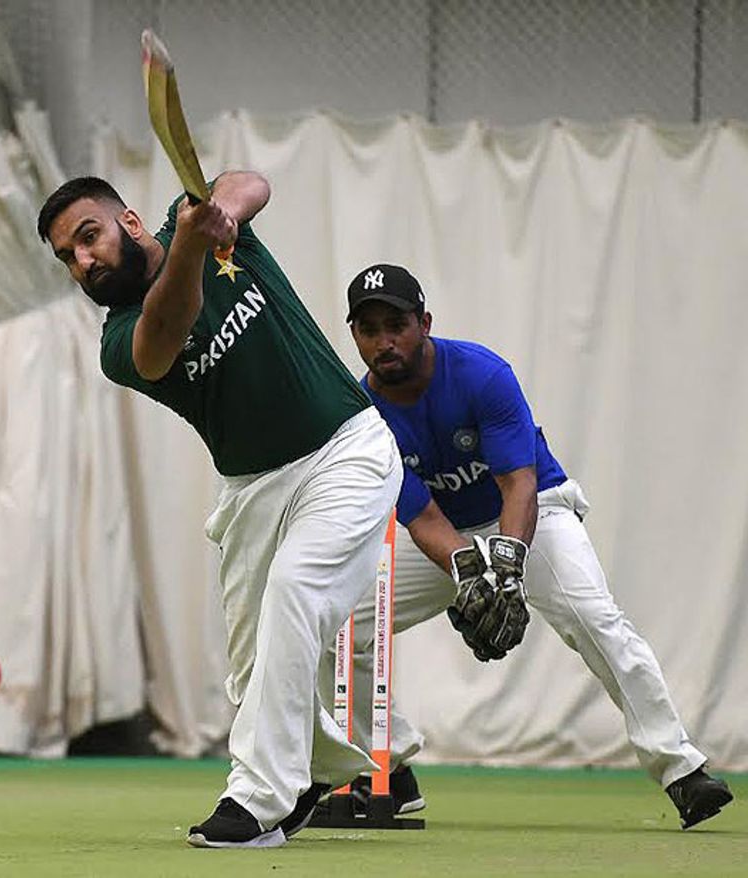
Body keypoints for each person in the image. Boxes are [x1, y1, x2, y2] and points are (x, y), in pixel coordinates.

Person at [37, 174, 402, 848]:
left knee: (297, 591)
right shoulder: (121, 345)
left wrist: (224, 214)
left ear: (131, 220)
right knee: (252, 664)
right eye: (68, 257)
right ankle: (311, 772)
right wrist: (193, 249)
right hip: (253, 492)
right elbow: (168, 326)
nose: (83, 262)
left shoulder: (200, 227)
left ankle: (256, 802)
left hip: (347, 451)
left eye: (88, 237)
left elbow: (248, 183)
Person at [337, 263, 733, 829]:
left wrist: (507, 570)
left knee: (594, 619)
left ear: (424, 322)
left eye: (396, 323)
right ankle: (390, 769)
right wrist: (467, 573)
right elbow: (421, 512)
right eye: (368, 329)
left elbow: (517, 482)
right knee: (339, 619)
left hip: (532, 512)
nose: (384, 341)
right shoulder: (365, 415)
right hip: (447, 529)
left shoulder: (480, 374)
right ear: (355, 335)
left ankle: (681, 768)